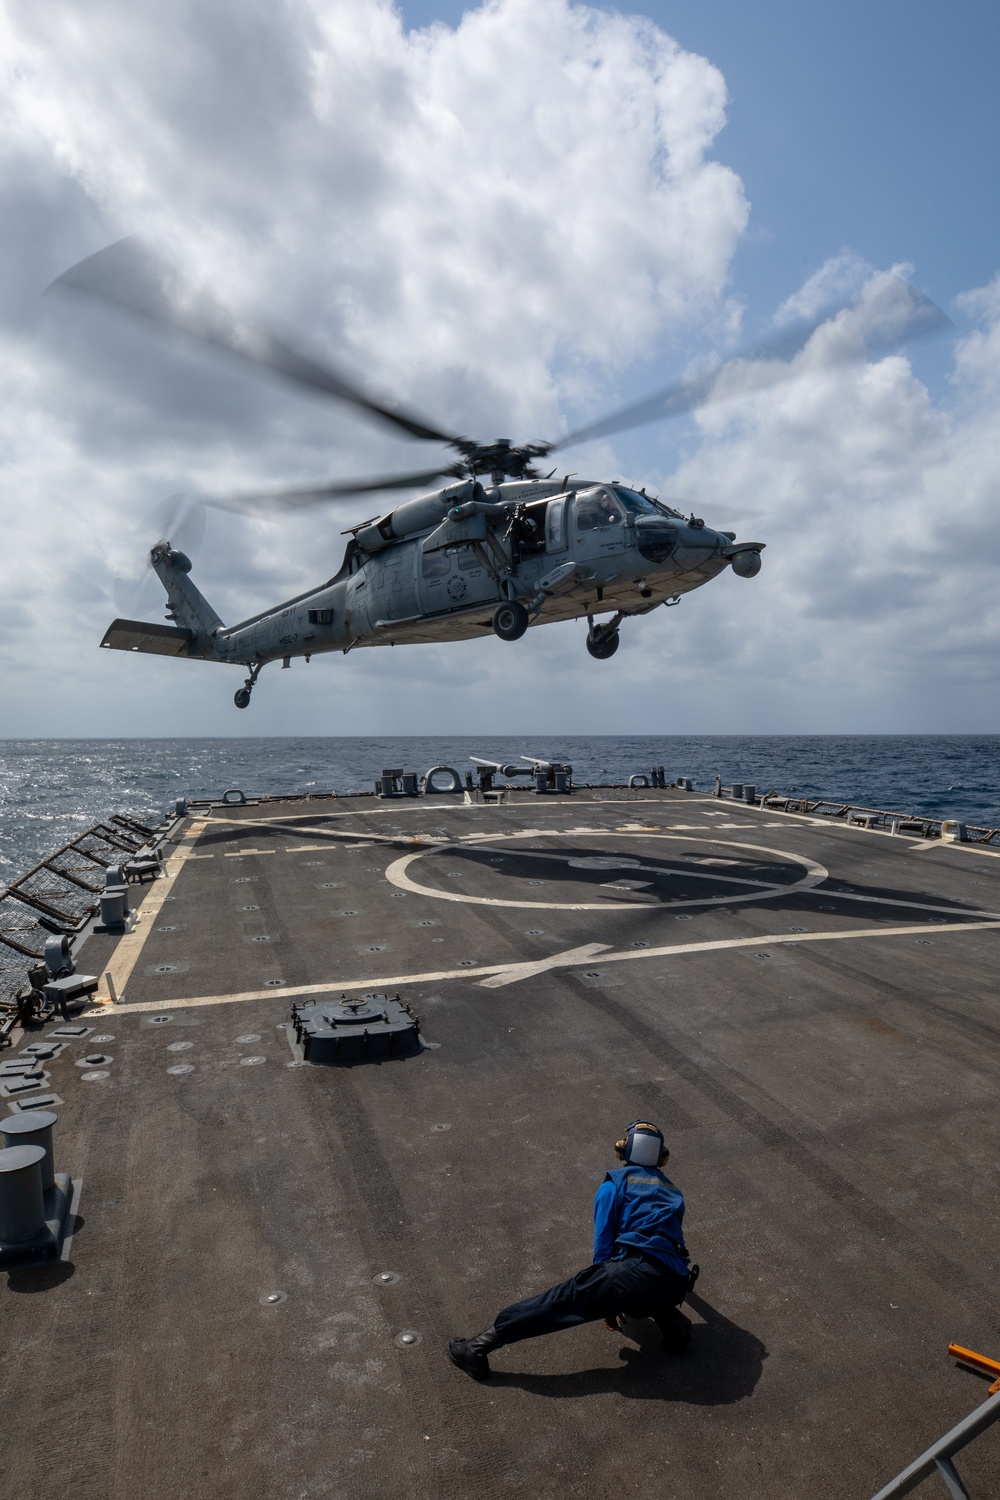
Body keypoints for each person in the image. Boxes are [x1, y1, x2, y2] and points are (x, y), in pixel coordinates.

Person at [448, 1120, 697, 1381]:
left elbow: (604, 1244)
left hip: (633, 1274)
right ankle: (674, 1327)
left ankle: (475, 1349)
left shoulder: (615, 1184)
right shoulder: (672, 1191)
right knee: (648, 1285)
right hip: (676, 1281)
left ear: (623, 1151)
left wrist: (605, 1302)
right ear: (662, 1158)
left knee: (560, 1301)